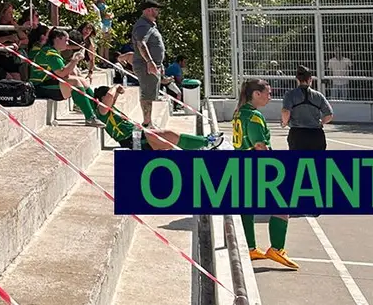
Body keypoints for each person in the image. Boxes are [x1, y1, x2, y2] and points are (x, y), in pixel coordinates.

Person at [233, 78, 298, 270]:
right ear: (256, 94)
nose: (270, 96)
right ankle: (277, 248)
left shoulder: (239, 113)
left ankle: (250, 247)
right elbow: (260, 145)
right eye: (267, 93)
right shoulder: (254, 117)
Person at [92, 84, 221, 150]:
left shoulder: (109, 110)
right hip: (131, 140)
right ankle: (206, 143)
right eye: (112, 96)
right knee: (168, 135)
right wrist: (115, 87)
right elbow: (109, 98)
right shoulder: (101, 112)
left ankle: (203, 143)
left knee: (170, 137)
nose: (114, 99)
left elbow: (110, 98)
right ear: (101, 98)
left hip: (137, 134)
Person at [29, 27, 102, 126]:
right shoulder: (50, 53)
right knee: (75, 82)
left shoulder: (52, 51)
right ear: (57, 39)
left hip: (48, 83)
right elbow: (62, 73)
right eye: (66, 40)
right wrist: (74, 60)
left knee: (82, 80)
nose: (67, 44)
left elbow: (66, 73)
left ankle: (96, 112)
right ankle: (90, 118)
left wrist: (74, 65)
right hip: (40, 86)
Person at [131, 0, 167, 128]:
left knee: (150, 93)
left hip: (152, 65)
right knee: (147, 94)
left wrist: (159, 64)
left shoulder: (150, 25)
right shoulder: (142, 25)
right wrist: (150, 62)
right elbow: (141, 44)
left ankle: (149, 121)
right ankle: (147, 122)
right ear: (148, 10)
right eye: (156, 9)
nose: (158, 12)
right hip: (145, 65)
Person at [281, 65, 333, 151]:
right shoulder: (318, 96)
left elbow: (285, 111)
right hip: (316, 134)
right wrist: (321, 122)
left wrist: (285, 122)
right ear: (310, 79)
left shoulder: (290, 94)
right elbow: (329, 115)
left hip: (297, 134)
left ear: (297, 79)